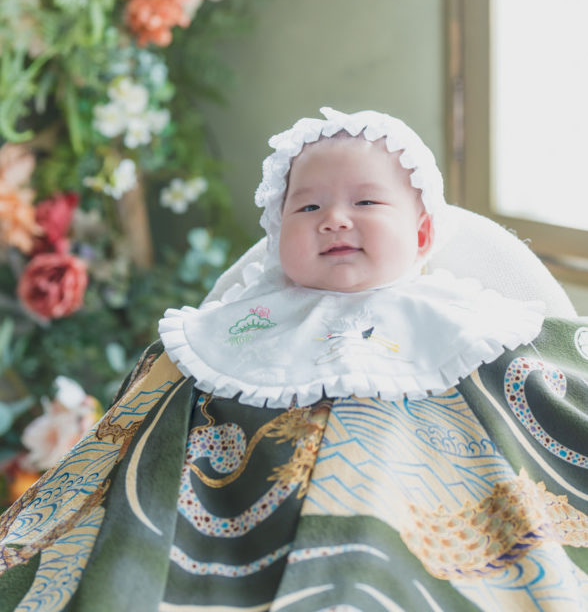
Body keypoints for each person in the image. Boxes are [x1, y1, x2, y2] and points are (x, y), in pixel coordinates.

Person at [1, 107, 587, 612]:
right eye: (307, 208)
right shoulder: (236, 324)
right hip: (240, 518)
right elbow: (154, 412)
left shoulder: (457, 317)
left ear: (422, 234)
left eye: (366, 201)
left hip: (410, 500)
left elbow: (540, 379)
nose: (334, 218)